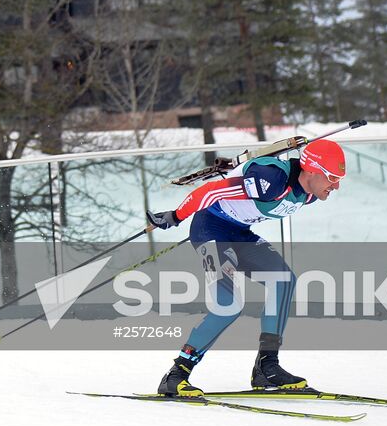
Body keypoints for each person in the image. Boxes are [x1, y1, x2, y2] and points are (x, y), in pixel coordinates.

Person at [145, 138, 348, 398]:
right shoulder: (270, 180)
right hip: (211, 230)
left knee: (284, 281)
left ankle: (267, 367)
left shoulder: (310, 194)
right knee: (228, 306)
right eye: (332, 177)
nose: (336, 186)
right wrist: (175, 216)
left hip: (240, 234)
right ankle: (176, 375)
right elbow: (210, 192)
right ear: (312, 170)